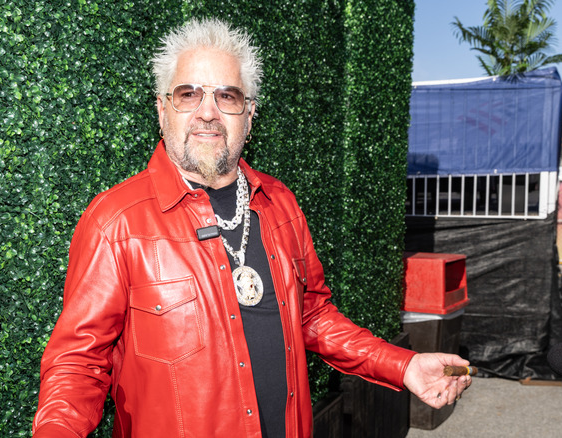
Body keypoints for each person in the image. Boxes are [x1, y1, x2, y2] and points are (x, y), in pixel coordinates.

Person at [32, 18, 471, 438]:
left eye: (227, 96)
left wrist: (403, 365)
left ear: (249, 112)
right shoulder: (116, 220)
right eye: (188, 94)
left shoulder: (281, 205)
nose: (208, 112)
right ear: (162, 108)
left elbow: (313, 317)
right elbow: (78, 362)